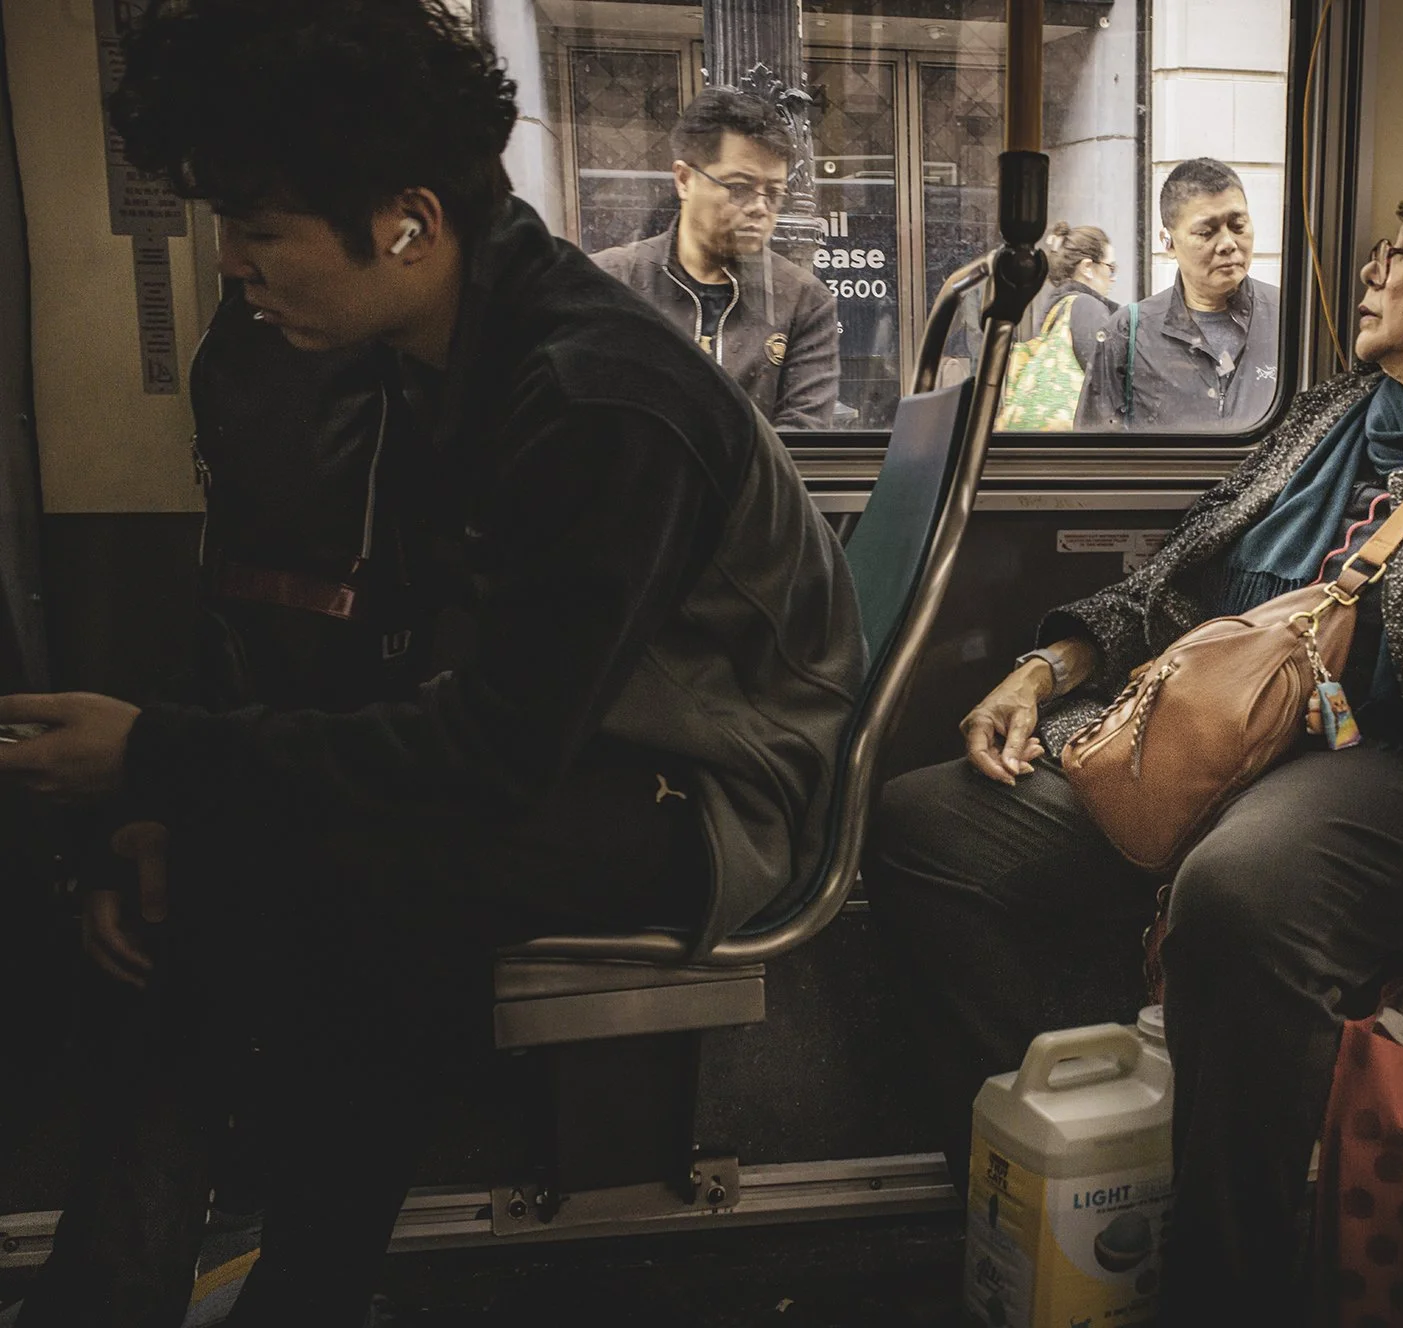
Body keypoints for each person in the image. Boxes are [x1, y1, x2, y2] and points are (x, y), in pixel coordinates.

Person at [0, 4, 863, 1324]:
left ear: (408, 224)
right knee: (283, 841)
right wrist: (174, 808)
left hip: (713, 784)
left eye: (261, 232)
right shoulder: (428, 351)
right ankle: (195, 1279)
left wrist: (160, 760)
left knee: (367, 853)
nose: (233, 267)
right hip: (582, 736)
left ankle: (248, 1285)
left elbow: (491, 755)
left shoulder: (590, 396)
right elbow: (385, 661)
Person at [866, 171, 1403, 1320]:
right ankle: (1095, 1152)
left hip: (1397, 768)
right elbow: (1177, 576)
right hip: (1210, 729)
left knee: (1243, 890)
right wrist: (1046, 667)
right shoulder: (1320, 415)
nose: (1370, 269)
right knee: (926, 822)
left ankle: (1222, 1276)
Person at [593, 87, 840, 429]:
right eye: (738, 187)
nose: (759, 208)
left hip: (756, 482)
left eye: (773, 193)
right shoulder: (613, 282)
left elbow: (803, 435)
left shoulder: (802, 299)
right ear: (684, 179)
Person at [1076, 158, 1281, 431]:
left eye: (1238, 226)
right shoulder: (1127, 333)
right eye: (1206, 233)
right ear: (1168, 242)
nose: (1228, 244)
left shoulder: (1289, 319)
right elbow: (1096, 455)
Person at [995, 222, 1118, 431]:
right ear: (1088, 267)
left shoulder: (1055, 310)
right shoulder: (1086, 307)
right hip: (1075, 446)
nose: (1113, 279)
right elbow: (1108, 383)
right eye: (1111, 268)